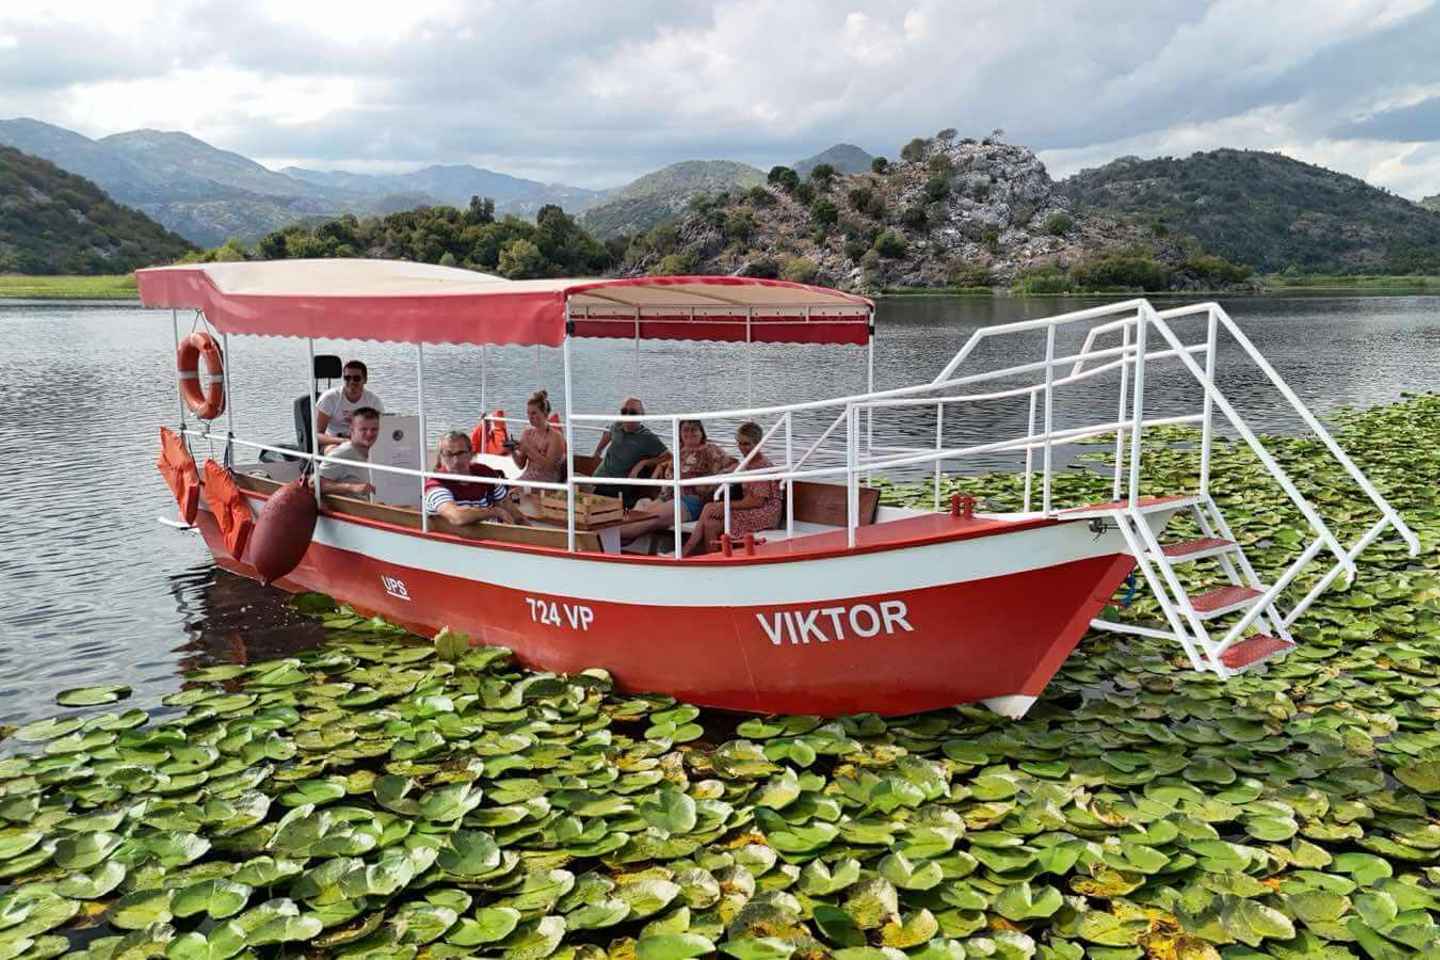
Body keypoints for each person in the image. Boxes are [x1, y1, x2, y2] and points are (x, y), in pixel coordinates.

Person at [619, 420, 735, 543]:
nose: (690, 433)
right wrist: (660, 467)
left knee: (649, 517)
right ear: (680, 434)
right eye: (686, 430)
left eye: (694, 429)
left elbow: (734, 465)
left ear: (701, 433)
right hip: (668, 497)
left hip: (692, 500)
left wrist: (714, 480)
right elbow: (669, 468)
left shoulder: (710, 449)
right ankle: (616, 531)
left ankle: (613, 535)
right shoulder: (680, 451)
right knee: (641, 506)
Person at [683, 421, 782, 557]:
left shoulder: (761, 466)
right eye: (740, 443)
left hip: (766, 512)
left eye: (747, 444)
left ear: (758, 443)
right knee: (710, 518)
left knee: (710, 512)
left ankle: (689, 550)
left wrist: (725, 505)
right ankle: (709, 556)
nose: (742, 448)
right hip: (753, 508)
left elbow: (756, 501)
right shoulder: (748, 462)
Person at [424, 430, 527, 526]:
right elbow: (457, 517)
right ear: (441, 457)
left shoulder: (486, 473)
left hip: (491, 537)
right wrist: (494, 512)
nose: (456, 461)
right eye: (449, 454)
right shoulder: (436, 485)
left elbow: (513, 512)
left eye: (461, 453)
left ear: (471, 454)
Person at [591, 397, 668, 507]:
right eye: (624, 412)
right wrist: (598, 451)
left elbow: (667, 456)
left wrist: (642, 463)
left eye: (632, 413)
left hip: (616, 485)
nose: (627, 416)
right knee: (571, 486)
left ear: (642, 415)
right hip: (597, 478)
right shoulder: (617, 425)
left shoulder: (647, 437)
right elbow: (608, 433)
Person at [316, 360, 384, 451]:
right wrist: (343, 441)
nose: (352, 382)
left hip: (364, 442)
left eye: (356, 378)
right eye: (347, 378)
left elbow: (381, 430)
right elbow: (317, 435)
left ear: (365, 380)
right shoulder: (329, 398)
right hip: (334, 442)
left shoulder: (373, 401)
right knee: (339, 453)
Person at [318, 406, 379, 499]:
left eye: (374, 429)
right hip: (356, 509)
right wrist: (352, 487)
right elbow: (314, 483)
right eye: (363, 429)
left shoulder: (379, 451)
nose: (369, 434)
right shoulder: (342, 453)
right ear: (352, 430)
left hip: (378, 505)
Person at [513, 389, 567, 486]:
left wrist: (528, 449)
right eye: (528, 413)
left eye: (534, 413)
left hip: (548, 480)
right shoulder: (527, 433)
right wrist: (512, 451)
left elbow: (549, 467)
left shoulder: (556, 437)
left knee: (513, 491)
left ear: (545, 414)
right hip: (528, 477)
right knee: (506, 488)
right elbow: (521, 465)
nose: (530, 417)